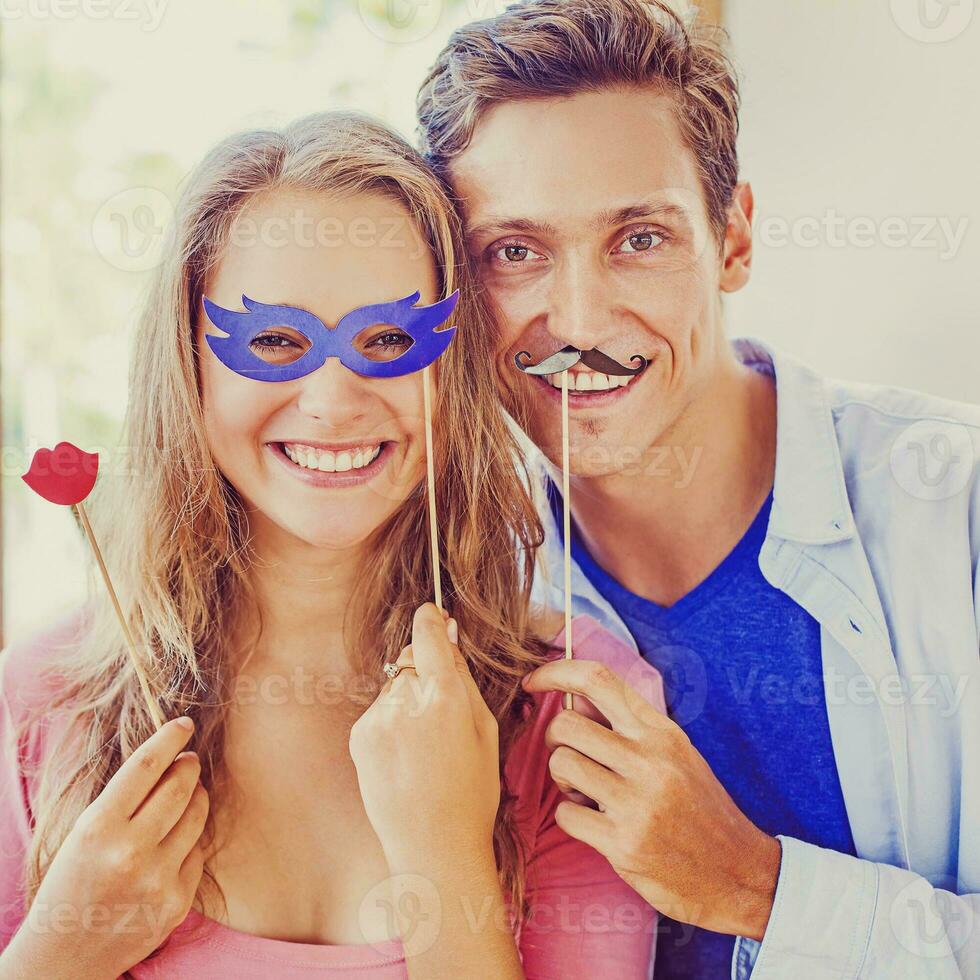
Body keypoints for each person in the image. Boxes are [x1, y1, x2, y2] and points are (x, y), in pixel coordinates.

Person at [0, 111, 663, 978]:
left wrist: (445, 854)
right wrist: (57, 955)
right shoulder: (44, 702)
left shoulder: (574, 706)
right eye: (274, 341)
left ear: (451, 364)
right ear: (187, 362)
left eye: (388, 339)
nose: (333, 400)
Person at [417, 0, 980, 976]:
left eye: (637, 237)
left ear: (732, 239)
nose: (579, 317)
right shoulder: (459, 590)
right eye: (514, 252)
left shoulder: (951, 505)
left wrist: (757, 888)